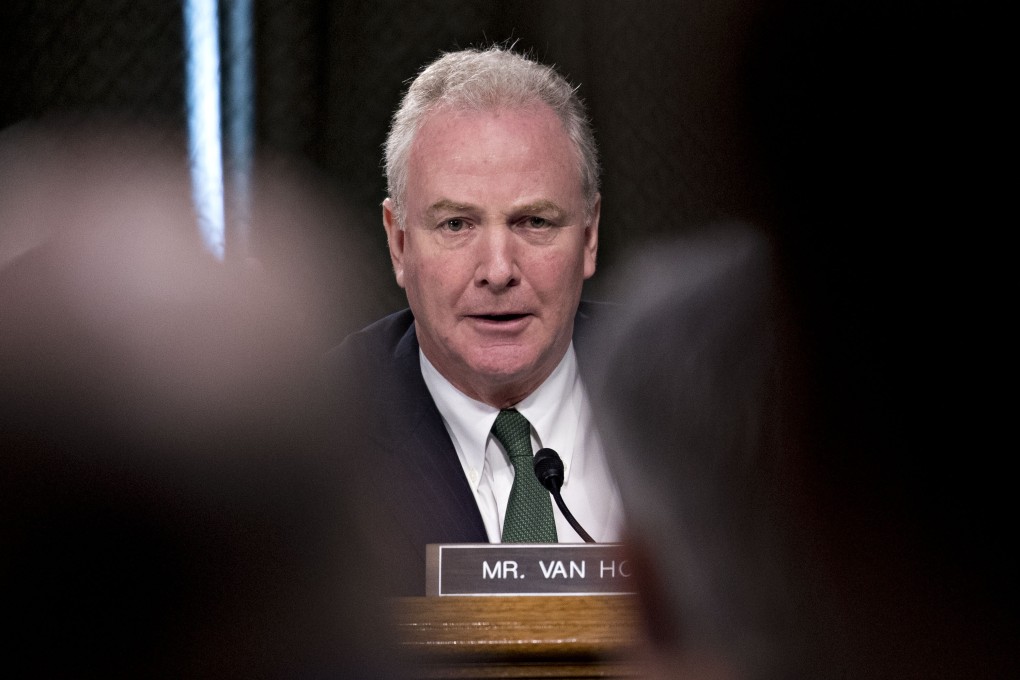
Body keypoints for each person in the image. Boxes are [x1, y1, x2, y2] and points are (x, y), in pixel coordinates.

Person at [324, 46, 624, 594]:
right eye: (457, 224)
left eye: (534, 221)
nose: (498, 270)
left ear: (589, 235)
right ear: (398, 242)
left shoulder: (702, 401)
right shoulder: (317, 432)